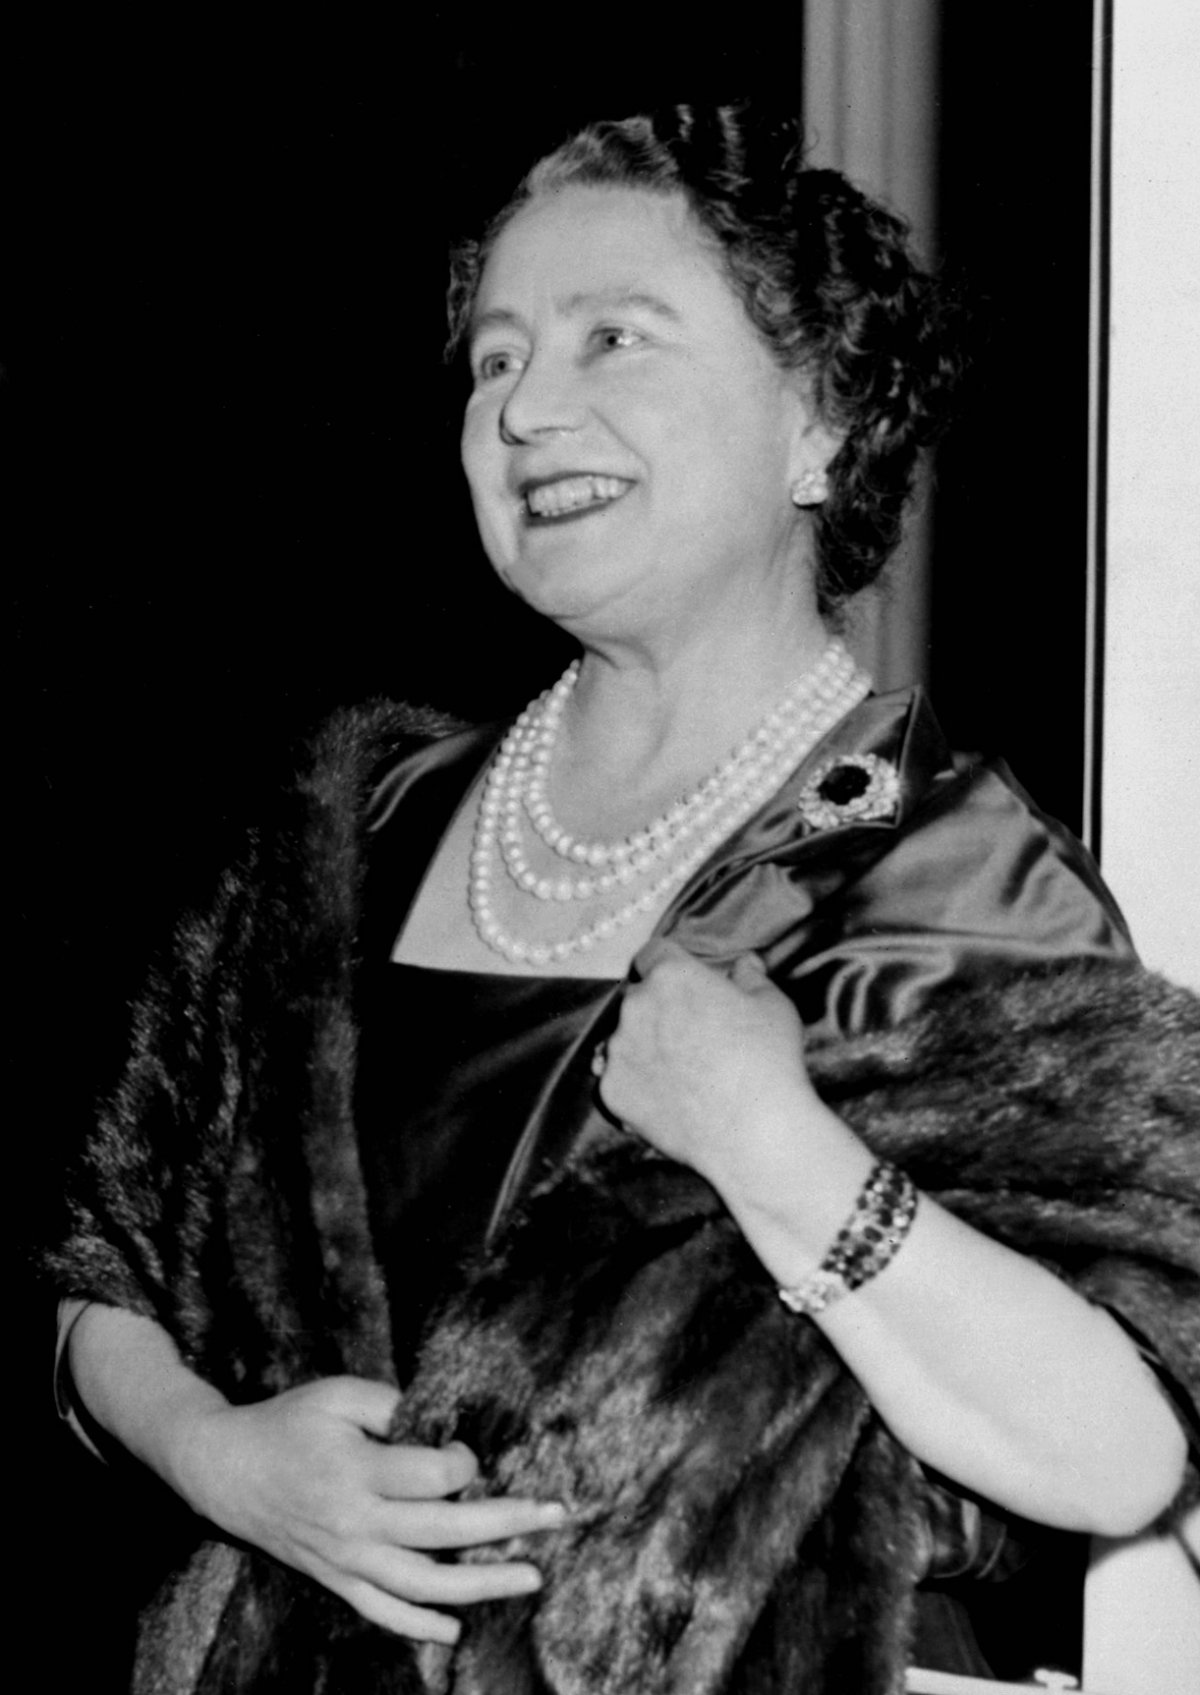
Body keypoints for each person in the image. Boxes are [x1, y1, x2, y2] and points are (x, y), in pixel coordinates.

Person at [48, 106, 1198, 1694]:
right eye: (497, 361)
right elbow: (97, 1274)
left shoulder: (957, 879)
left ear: (820, 423)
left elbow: (1120, 1452)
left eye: (613, 339)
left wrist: (772, 1144)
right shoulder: (357, 826)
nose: (529, 410)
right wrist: (221, 1460)